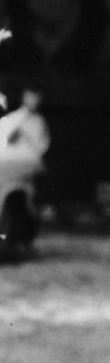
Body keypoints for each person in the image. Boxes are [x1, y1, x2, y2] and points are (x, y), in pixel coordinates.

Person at [0, 86, 50, 251]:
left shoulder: (40, 121)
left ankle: (25, 237)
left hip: (28, 167)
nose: (34, 101)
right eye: (31, 97)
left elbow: (42, 146)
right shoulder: (13, 118)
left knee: (29, 203)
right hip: (10, 166)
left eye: (37, 98)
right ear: (24, 97)